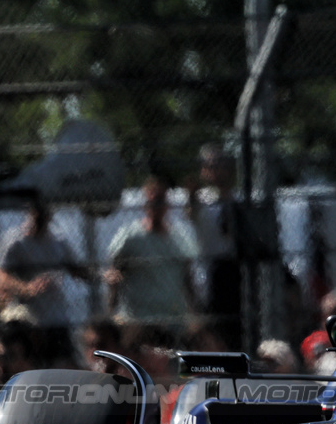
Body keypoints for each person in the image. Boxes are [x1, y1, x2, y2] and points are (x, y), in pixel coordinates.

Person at [0, 197, 87, 364]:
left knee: (65, 365)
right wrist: (26, 288)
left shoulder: (58, 240)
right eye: (37, 212)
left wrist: (100, 273)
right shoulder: (16, 241)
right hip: (29, 320)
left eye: (45, 212)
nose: (41, 217)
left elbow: (77, 269)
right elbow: (0, 277)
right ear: (30, 213)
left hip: (57, 319)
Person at [104, 177, 196, 330]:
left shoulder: (180, 238)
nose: (156, 206)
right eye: (152, 201)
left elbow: (188, 279)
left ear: (167, 205)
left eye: (160, 201)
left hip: (173, 320)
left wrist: (194, 314)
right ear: (145, 205)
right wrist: (110, 313)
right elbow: (114, 275)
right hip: (138, 321)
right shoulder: (130, 237)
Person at [188, 144, 245, 347]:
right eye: (210, 166)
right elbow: (191, 214)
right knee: (216, 324)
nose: (216, 171)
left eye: (221, 165)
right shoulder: (202, 200)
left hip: (236, 266)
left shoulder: (239, 199)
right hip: (211, 268)